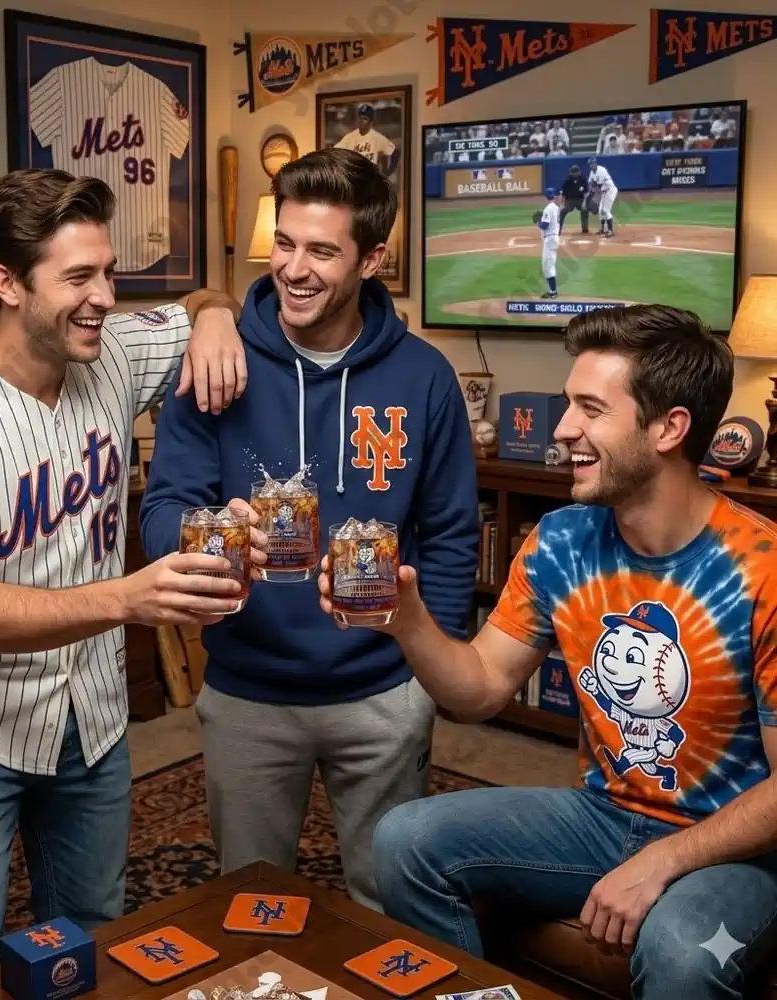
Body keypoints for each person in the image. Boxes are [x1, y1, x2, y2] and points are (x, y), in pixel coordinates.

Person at [317, 304, 777, 998]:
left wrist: (664, 861)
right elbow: (477, 692)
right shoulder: (561, 539)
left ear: (669, 428)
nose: (563, 430)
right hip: (603, 815)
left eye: (591, 409)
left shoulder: (763, 570)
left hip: (734, 847)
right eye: (568, 405)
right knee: (403, 841)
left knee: (682, 952)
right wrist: (405, 620)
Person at [0, 166, 250, 999]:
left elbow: (202, 298)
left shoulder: (109, 345)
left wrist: (218, 317)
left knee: (93, 940)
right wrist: (130, 598)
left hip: (89, 714)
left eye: (108, 273)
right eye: (78, 278)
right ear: (6, 284)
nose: (102, 296)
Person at [139, 146, 480, 911]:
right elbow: (160, 510)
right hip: (248, 692)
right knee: (251, 908)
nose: (294, 268)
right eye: (284, 244)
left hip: (383, 690)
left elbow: (454, 531)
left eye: (322, 250)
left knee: (389, 908)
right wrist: (202, 537)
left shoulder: (424, 376)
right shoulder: (216, 363)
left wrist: (433, 675)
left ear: (372, 257)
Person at [536, 187, 560, 299]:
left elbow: (544, 225)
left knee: (547, 266)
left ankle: (553, 291)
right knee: (549, 265)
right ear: (554, 196)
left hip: (550, 238)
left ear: (546, 196)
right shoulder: (556, 208)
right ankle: (552, 290)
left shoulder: (548, 209)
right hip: (555, 238)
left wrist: (538, 223)